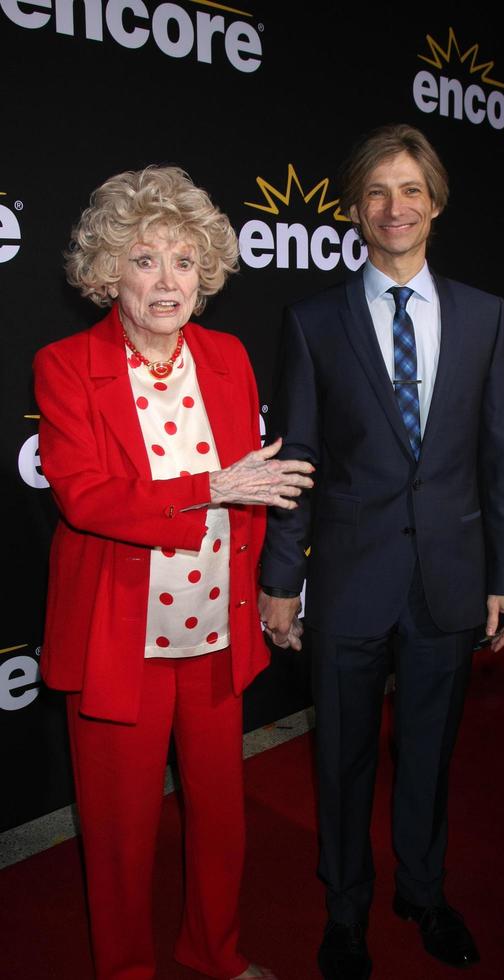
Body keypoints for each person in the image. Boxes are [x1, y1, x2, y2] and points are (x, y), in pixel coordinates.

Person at [258, 124, 504, 979]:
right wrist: (281, 580)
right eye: (378, 192)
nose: (395, 207)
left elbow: (501, 455)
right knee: (338, 759)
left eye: (411, 189)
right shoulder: (312, 322)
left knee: (429, 751)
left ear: (436, 203)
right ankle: (345, 911)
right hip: (346, 581)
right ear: (352, 211)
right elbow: (297, 458)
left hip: (449, 581)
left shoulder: (486, 316)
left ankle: (423, 891)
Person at [33, 165, 314, 980]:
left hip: (215, 633)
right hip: (121, 641)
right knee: (119, 835)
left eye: (185, 260)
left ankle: (214, 951)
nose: (167, 280)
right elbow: (88, 498)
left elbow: (256, 489)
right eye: (144, 258)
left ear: (207, 274)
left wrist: (271, 586)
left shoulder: (227, 357)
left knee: (223, 817)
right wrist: (212, 487)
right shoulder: (63, 366)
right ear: (107, 271)